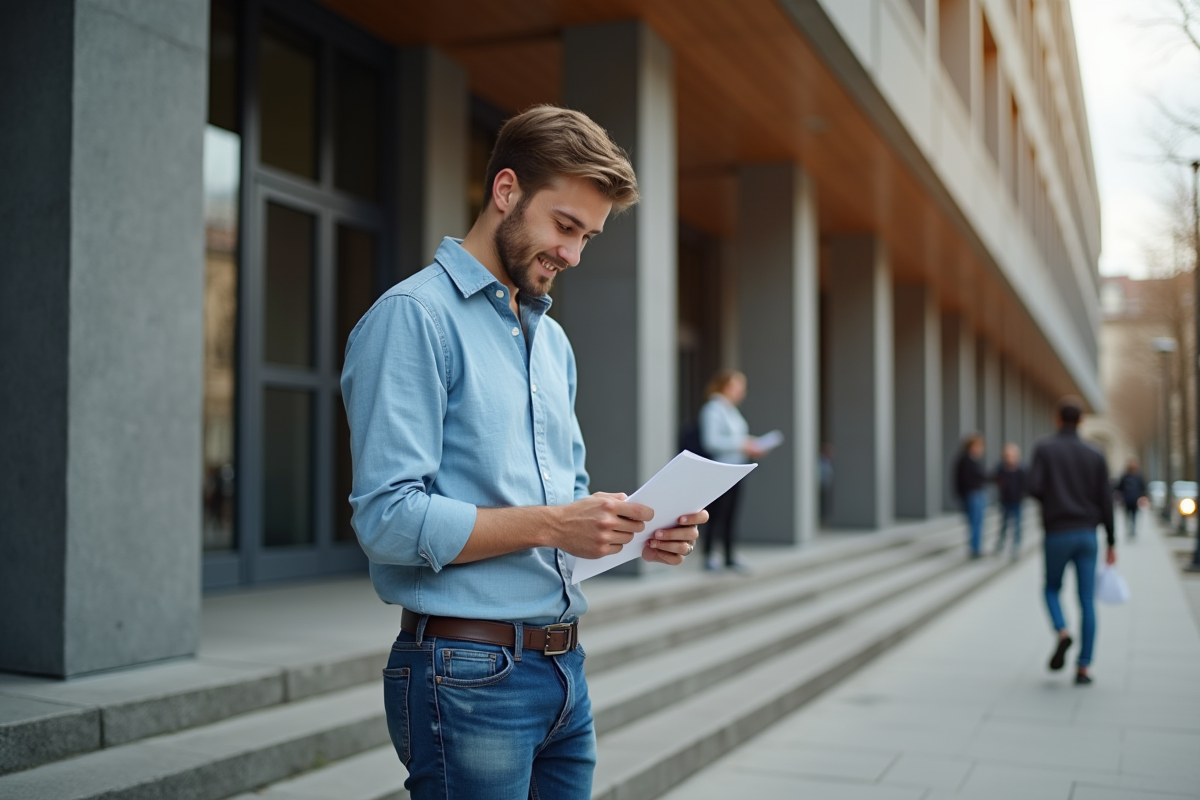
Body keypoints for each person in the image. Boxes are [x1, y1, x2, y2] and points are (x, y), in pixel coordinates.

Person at [340, 105, 707, 800]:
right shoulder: (414, 318)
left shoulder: (552, 342)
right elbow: (386, 520)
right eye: (565, 226)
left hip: (564, 671)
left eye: (588, 237)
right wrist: (552, 523)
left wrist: (632, 535)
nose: (572, 253)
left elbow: (564, 515)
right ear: (506, 191)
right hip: (465, 672)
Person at [1027, 397, 1116, 686]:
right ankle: (1084, 667)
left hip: (1057, 532)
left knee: (1051, 588)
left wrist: (1054, 502)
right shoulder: (1095, 453)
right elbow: (1106, 500)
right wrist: (1112, 542)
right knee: (1087, 601)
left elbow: (1034, 487)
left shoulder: (1045, 449)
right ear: (1081, 421)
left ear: (1057, 418)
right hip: (1088, 534)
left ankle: (1062, 631)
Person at [698, 369, 766, 572]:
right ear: (726, 386)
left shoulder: (731, 410)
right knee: (716, 513)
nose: (742, 392)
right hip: (720, 471)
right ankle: (709, 555)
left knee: (731, 514)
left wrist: (750, 447)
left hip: (737, 469)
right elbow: (711, 441)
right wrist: (742, 445)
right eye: (738, 386)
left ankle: (729, 555)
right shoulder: (713, 409)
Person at [953, 433, 988, 558]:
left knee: (977, 522)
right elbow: (960, 480)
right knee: (975, 522)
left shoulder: (974, 460)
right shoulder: (965, 461)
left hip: (976, 494)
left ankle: (976, 547)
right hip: (972, 495)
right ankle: (975, 549)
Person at [992, 443, 1027, 559]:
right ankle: (1000, 545)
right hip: (1005, 501)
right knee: (1004, 525)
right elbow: (996, 480)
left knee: (1017, 525)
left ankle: (1016, 546)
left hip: (1017, 501)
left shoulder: (1021, 470)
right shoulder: (1001, 469)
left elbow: (1026, 485)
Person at [1114, 458, 1147, 540]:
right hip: (1127, 499)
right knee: (1129, 515)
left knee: (1133, 514)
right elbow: (1120, 487)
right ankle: (1131, 529)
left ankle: (1132, 529)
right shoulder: (1126, 476)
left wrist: (1143, 496)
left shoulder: (1137, 476)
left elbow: (1142, 487)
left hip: (1134, 499)